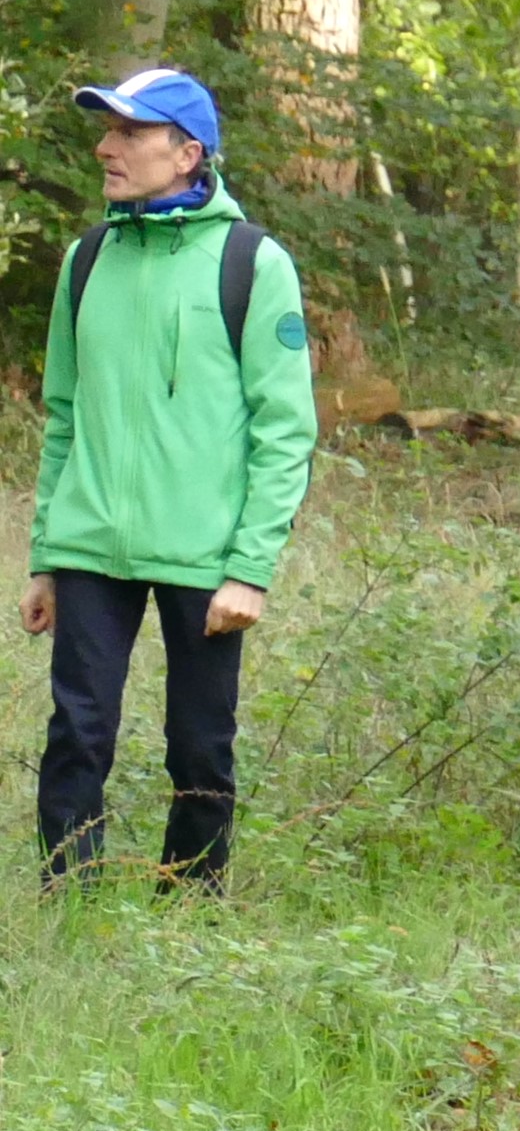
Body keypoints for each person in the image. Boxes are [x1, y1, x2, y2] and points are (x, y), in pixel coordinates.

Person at [22, 67, 316, 886]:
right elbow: (63, 415)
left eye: (129, 132)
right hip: (89, 545)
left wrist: (250, 568)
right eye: (107, 130)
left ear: (187, 154)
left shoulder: (252, 263)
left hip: (205, 552)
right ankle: (69, 901)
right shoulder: (86, 260)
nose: (105, 148)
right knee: (76, 733)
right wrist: (47, 554)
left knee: (199, 745)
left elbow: (285, 431)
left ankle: (190, 906)